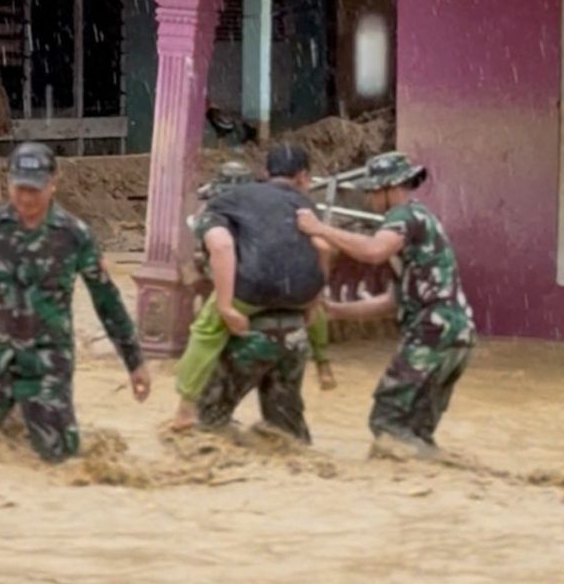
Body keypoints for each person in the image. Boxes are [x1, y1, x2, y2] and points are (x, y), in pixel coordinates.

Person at [0, 142, 151, 462]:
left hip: (48, 363)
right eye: (20, 189)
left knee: (61, 463)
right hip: (0, 356)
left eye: (34, 190)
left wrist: (134, 362)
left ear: (53, 184)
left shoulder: (74, 235)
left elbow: (107, 300)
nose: (26, 199)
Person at [296, 152, 476, 452]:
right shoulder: (422, 222)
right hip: (458, 336)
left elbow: (373, 251)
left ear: (390, 188)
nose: (370, 199)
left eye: (373, 192)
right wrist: (337, 311)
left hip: (432, 332)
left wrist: (320, 228)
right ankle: (433, 470)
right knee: (415, 429)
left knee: (387, 421)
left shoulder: (403, 216)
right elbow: (393, 301)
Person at [171, 144, 331, 430]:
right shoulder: (304, 204)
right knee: (286, 428)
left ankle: (185, 408)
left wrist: (225, 306)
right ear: (303, 176)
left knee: (207, 329)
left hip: (252, 295)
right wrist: (311, 300)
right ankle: (324, 365)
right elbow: (323, 248)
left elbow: (221, 247)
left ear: (266, 173)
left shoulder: (222, 206)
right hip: (299, 305)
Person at [197, 309, 315, 443]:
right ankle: (294, 446)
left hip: (251, 333)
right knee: (285, 416)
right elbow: (312, 314)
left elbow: (221, 307)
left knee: (210, 414)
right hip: (295, 334)